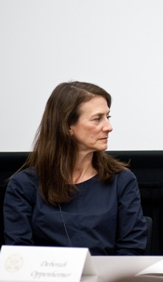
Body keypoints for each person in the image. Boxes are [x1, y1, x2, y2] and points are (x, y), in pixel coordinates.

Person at [3, 81, 147, 255]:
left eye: (107, 117)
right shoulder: (24, 186)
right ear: (67, 126)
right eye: (97, 119)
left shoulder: (121, 180)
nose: (109, 127)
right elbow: (19, 255)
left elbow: (131, 250)